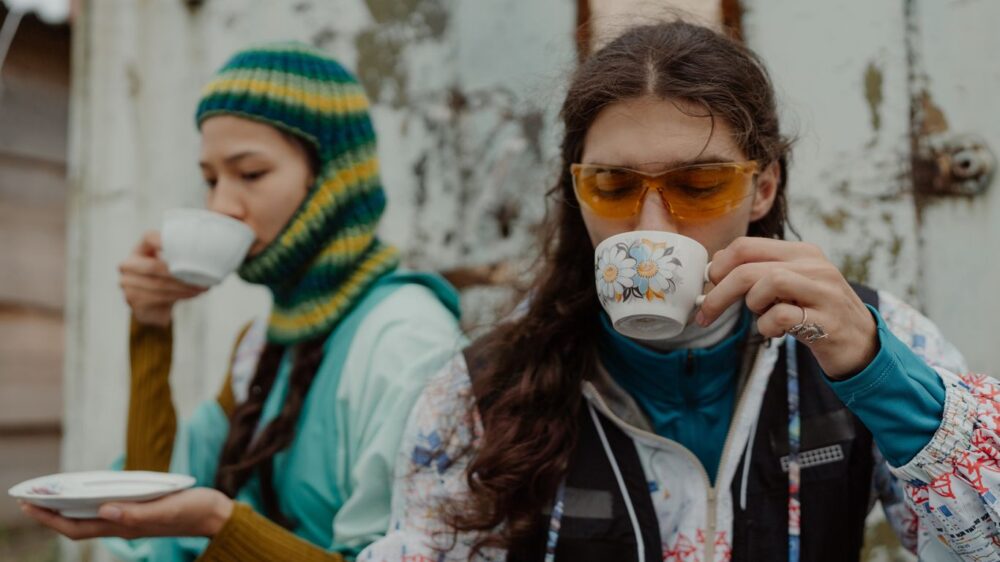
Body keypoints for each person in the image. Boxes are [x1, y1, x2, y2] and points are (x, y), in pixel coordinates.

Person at [358, 21, 999, 562]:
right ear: (575, 191)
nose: (651, 225)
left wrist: (876, 373)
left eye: (699, 184)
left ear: (764, 188)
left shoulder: (874, 337)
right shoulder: (483, 390)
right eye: (612, 185)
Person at [20, 43, 464, 561]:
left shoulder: (406, 342)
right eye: (211, 179)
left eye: (250, 173)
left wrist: (220, 523)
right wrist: (151, 324)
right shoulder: (262, 343)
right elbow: (149, 515)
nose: (221, 206)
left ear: (333, 178)